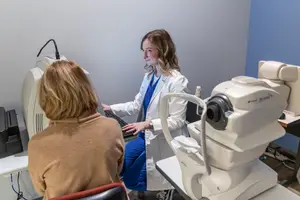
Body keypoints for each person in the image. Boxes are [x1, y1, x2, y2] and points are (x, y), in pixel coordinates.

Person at [103, 29, 189, 200]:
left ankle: (166, 190)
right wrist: (110, 108)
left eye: (149, 50)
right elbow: (136, 105)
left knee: (132, 180)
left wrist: (147, 124)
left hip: (162, 139)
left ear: (163, 50)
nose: (145, 56)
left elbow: (178, 120)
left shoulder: (177, 82)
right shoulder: (150, 76)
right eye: (144, 51)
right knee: (122, 168)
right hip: (145, 136)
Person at [28, 60, 124, 200]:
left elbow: (40, 190)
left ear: (45, 97)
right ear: (86, 88)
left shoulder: (37, 144)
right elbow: (118, 168)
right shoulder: (112, 127)